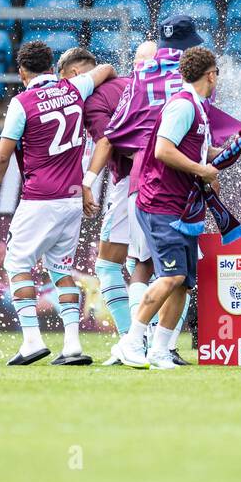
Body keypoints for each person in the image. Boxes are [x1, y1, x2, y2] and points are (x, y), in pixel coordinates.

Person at [0, 40, 116, 365]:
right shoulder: (74, 89)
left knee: (16, 265)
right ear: (52, 64)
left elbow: (1, 156)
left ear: (21, 72)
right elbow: (108, 69)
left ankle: (31, 341)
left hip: (40, 198)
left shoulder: (22, 102)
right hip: (72, 199)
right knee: (61, 271)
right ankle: (71, 346)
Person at [117, 47, 241, 369]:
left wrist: (231, 150)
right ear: (211, 74)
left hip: (181, 207)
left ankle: (161, 351)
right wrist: (202, 170)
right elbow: (164, 150)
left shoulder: (197, 108)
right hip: (161, 202)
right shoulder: (182, 105)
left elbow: (199, 150)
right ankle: (131, 341)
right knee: (171, 276)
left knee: (184, 283)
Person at [101, 17, 203, 354]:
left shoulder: (140, 77)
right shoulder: (194, 85)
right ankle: (138, 342)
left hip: (143, 183)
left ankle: (151, 346)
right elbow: (178, 143)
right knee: (172, 273)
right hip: (169, 189)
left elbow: (114, 132)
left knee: (148, 265)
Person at [76, 46, 135, 352]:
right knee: (154, 265)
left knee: (108, 266)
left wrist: (88, 181)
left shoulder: (91, 103)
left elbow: (110, 142)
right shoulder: (129, 82)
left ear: (75, 75)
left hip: (132, 183)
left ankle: (131, 339)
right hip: (173, 180)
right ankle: (163, 343)